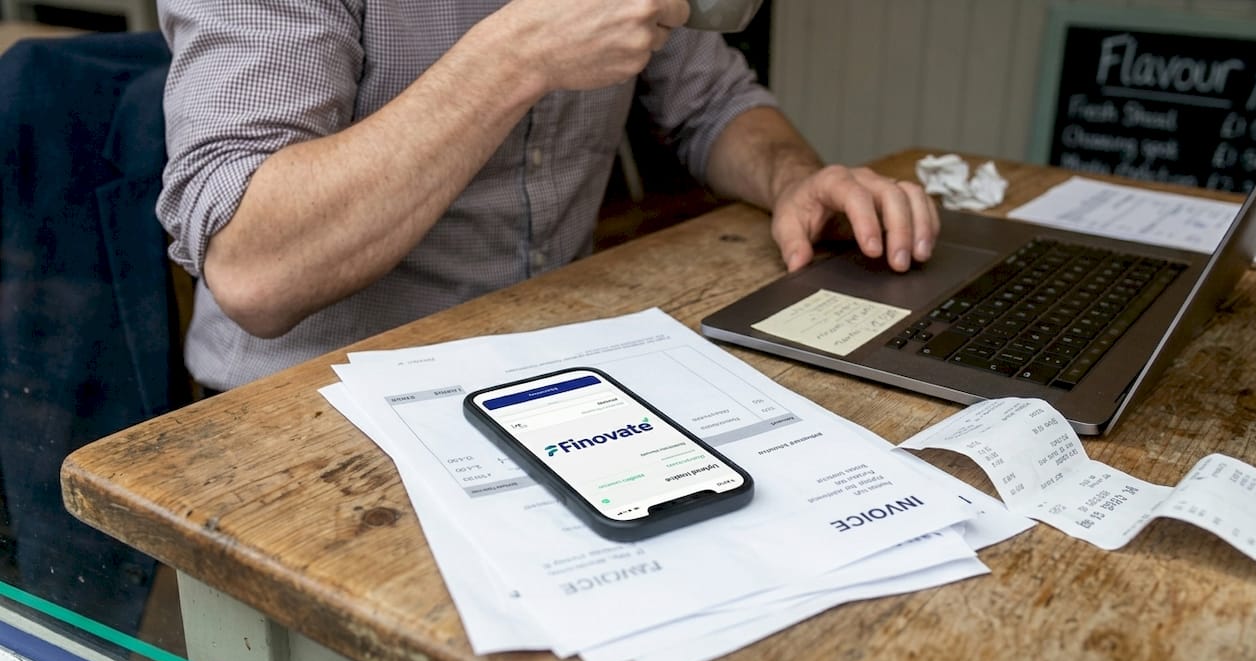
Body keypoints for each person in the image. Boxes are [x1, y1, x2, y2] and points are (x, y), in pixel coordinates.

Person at [157, 0, 940, 392]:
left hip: (553, 358)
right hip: (313, 400)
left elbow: (711, 102)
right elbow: (254, 267)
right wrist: (516, 56)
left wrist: (794, 179)